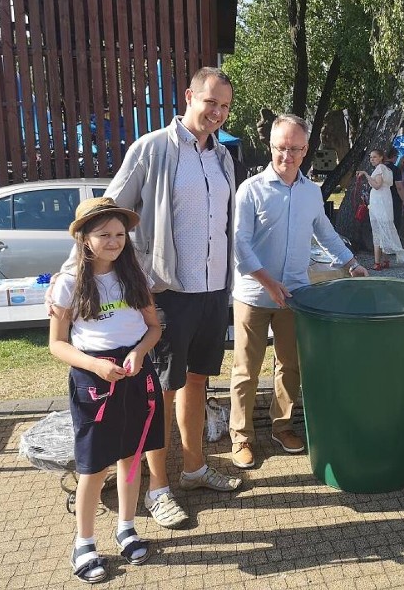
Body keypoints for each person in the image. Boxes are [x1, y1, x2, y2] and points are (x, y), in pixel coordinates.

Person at [59, 67, 241, 529]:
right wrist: (71, 273)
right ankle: (158, 488)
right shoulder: (152, 149)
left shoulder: (222, 157)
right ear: (188, 97)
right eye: (210, 103)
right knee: (158, 392)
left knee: (197, 381)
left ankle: (195, 469)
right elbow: (104, 214)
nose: (217, 113)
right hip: (167, 292)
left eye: (224, 106)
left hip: (213, 290)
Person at [230, 114, 369, 469]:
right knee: (246, 369)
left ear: (306, 150)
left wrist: (351, 262)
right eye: (280, 148)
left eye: (294, 149)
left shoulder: (311, 192)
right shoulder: (251, 189)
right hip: (254, 295)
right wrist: (266, 281)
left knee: (290, 366)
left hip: (296, 296)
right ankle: (242, 438)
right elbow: (240, 243)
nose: (286, 156)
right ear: (271, 146)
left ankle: (282, 426)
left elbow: (324, 231)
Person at [49, 198, 163, 583]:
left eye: (120, 234)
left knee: (131, 459)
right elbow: (57, 344)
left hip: (136, 374)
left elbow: (153, 327)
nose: (114, 242)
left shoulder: (135, 276)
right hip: (93, 380)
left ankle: (127, 527)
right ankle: (84, 542)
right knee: (93, 467)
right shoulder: (67, 284)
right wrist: (97, 365)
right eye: (104, 235)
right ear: (84, 239)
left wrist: (138, 352)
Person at [356, 149, 404, 270]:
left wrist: (365, 174)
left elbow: (377, 185)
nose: (372, 159)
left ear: (381, 157)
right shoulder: (387, 170)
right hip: (384, 200)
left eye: (374, 157)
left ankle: (377, 262)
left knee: (378, 230)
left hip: (380, 202)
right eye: (371, 157)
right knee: (383, 229)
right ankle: (384, 260)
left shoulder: (380, 168)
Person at [384, 147, 404, 231]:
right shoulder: (395, 169)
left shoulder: (380, 168)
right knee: (395, 220)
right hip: (394, 198)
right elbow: (399, 187)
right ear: (393, 156)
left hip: (382, 198)